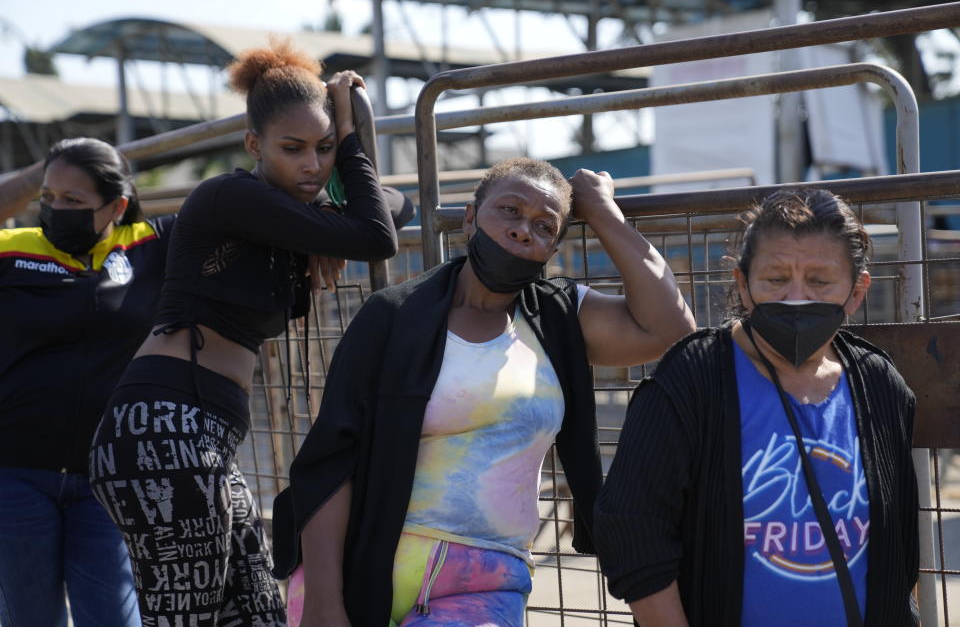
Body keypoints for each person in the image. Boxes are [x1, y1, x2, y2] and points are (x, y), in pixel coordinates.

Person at [271, 156, 697, 627]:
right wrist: (325, 603)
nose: (522, 230)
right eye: (510, 211)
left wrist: (600, 210)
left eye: (543, 225)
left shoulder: (559, 318)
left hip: (485, 579)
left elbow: (672, 327)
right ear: (470, 218)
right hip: (364, 564)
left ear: (552, 249)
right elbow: (332, 463)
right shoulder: (391, 316)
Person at [87, 40, 398, 627]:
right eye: (293, 149)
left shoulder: (286, 213)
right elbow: (377, 237)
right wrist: (353, 139)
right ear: (254, 145)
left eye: (325, 148)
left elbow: (390, 210)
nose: (312, 165)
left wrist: (326, 220)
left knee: (258, 614)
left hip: (203, 437)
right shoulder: (228, 196)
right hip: (161, 430)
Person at [594, 188, 919, 626]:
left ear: (857, 291)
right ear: (743, 284)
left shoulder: (879, 384)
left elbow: (898, 542)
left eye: (820, 281)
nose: (796, 297)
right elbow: (631, 528)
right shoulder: (693, 378)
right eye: (776, 279)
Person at [0, 137, 166, 627]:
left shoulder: (149, 245)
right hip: (15, 475)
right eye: (49, 198)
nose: (56, 209)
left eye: (74, 201)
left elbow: (394, 209)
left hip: (107, 477)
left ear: (116, 205)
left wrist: (315, 244)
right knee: (30, 619)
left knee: (114, 618)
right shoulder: (13, 250)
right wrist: (48, 168)